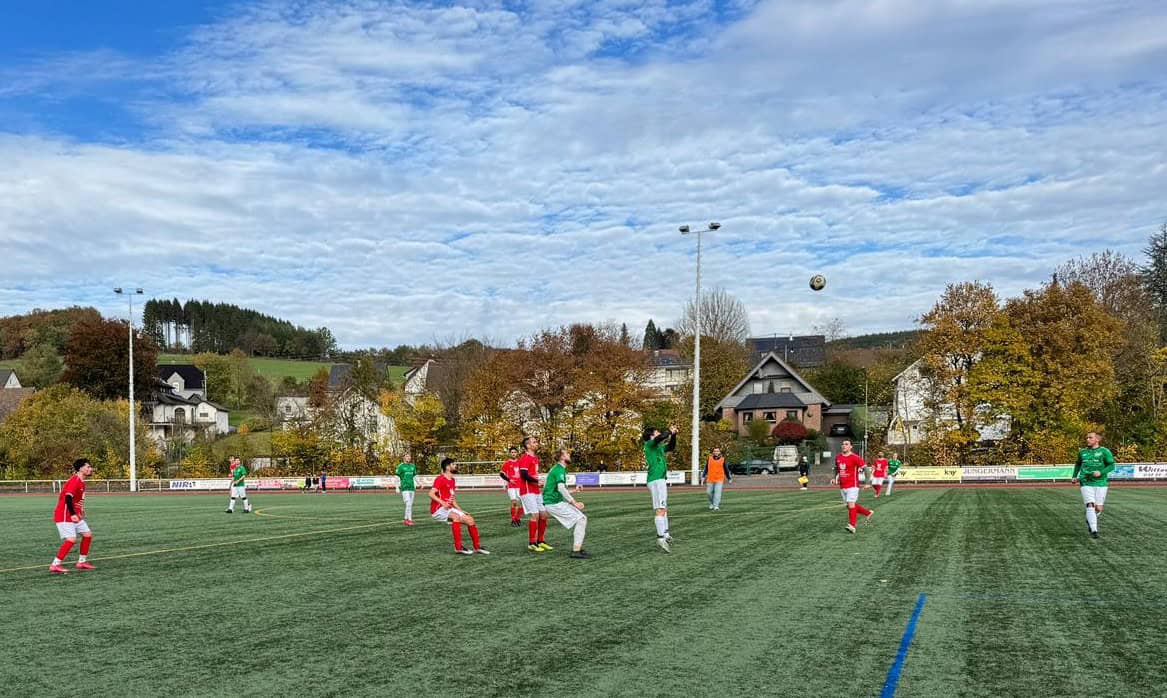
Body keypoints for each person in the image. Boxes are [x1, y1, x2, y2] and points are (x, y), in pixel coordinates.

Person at [428, 458, 489, 555]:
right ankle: (458, 547)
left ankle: (477, 547)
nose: (455, 466)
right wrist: (443, 503)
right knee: (455, 517)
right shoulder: (440, 479)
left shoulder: (452, 480)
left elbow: (452, 499)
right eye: (453, 464)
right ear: (448, 467)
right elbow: (431, 493)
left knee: (470, 520)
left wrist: (461, 510)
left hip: (449, 508)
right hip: (438, 509)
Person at [50, 458, 97, 574]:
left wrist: (81, 509)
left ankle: (81, 562)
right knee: (71, 539)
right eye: (88, 467)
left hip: (74, 514)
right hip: (65, 514)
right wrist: (72, 514)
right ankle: (55, 564)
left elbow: (75, 499)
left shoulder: (81, 482)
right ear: (81, 468)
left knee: (87, 534)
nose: (90, 469)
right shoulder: (75, 480)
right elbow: (68, 497)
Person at [542, 449, 590, 558]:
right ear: (562, 457)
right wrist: (575, 503)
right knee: (581, 519)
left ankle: (577, 549)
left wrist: (574, 491)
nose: (569, 455)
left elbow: (558, 489)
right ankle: (576, 551)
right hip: (553, 503)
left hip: (553, 502)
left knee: (582, 519)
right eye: (567, 454)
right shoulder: (559, 470)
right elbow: (561, 488)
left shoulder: (558, 469)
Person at [1072, 431, 1116, 539]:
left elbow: (1112, 465)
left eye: (1090, 438)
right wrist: (1074, 476)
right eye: (1087, 437)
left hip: (1101, 482)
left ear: (1097, 439)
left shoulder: (1104, 451)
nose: (1087, 439)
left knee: (1098, 508)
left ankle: (1090, 517)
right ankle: (1094, 530)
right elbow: (1078, 463)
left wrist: (1101, 472)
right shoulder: (1082, 452)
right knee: (1090, 505)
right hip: (1085, 481)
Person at [642, 425, 677, 552]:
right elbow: (661, 437)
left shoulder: (658, 447)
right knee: (660, 509)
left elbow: (671, 447)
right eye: (656, 432)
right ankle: (660, 538)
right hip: (656, 480)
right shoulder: (649, 444)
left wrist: (673, 435)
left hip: (660, 479)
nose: (659, 433)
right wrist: (669, 431)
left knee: (664, 508)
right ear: (651, 435)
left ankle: (666, 534)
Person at [517, 436, 551, 552]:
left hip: (536, 490)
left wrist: (538, 482)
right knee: (535, 516)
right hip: (527, 491)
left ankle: (540, 541)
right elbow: (524, 475)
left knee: (544, 515)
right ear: (528, 446)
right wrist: (538, 481)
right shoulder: (525, 458)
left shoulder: (535, 458)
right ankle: (532, 542)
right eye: (534, 442)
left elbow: (532, 474)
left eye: (536, 442)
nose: (537, 443)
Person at [832, 440, 873, 533]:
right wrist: (834, 478)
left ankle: (852, 526)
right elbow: (836, 469)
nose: (844, 446)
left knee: (851, 504)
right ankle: (868, 513)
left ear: (851, 447)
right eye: (842, 444)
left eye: (846, 444)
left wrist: (867, 483)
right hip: (842, 486)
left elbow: (866, 470)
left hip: (853, 485)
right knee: (850, 506)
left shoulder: (855, 457)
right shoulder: (838, 457)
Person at [700, 446, 731, 511]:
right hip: (710, 479)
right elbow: (706, 469)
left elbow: (726, 469)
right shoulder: (709, 459)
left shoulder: (723, 459)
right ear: (713, 452)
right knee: (709, 493)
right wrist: (703, 477)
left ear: (719, 452)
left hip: (719, 479)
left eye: (717, 451)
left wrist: (729, 478)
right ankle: (712, 503)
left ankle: (716, 506)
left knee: (717, 493)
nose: (716, 452)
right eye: (715, 451)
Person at [498, 447, 522, 527]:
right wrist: (509, 480)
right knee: (514, 502)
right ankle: (513, 520)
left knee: (523, 503)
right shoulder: (507, 463)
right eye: (512, 452)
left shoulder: (520, 462)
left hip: (520, 486)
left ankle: (518, 518)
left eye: (515, 452)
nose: (513, 453)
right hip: (511, 486)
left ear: (517, 453)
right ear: (509, 453)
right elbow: (501, 474)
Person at [395, 452, 418, 526]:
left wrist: (419, 482)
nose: (409, 458)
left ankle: (406, 519)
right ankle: (409, 520)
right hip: (404, 488)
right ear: (404, 457)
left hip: (412, 487)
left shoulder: (412, 466)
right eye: (407, 456)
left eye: (409, 456)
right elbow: (397, 477)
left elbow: (414, 476)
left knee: (410, 504)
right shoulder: (401, 466)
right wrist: (397, 487)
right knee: (408, 503)